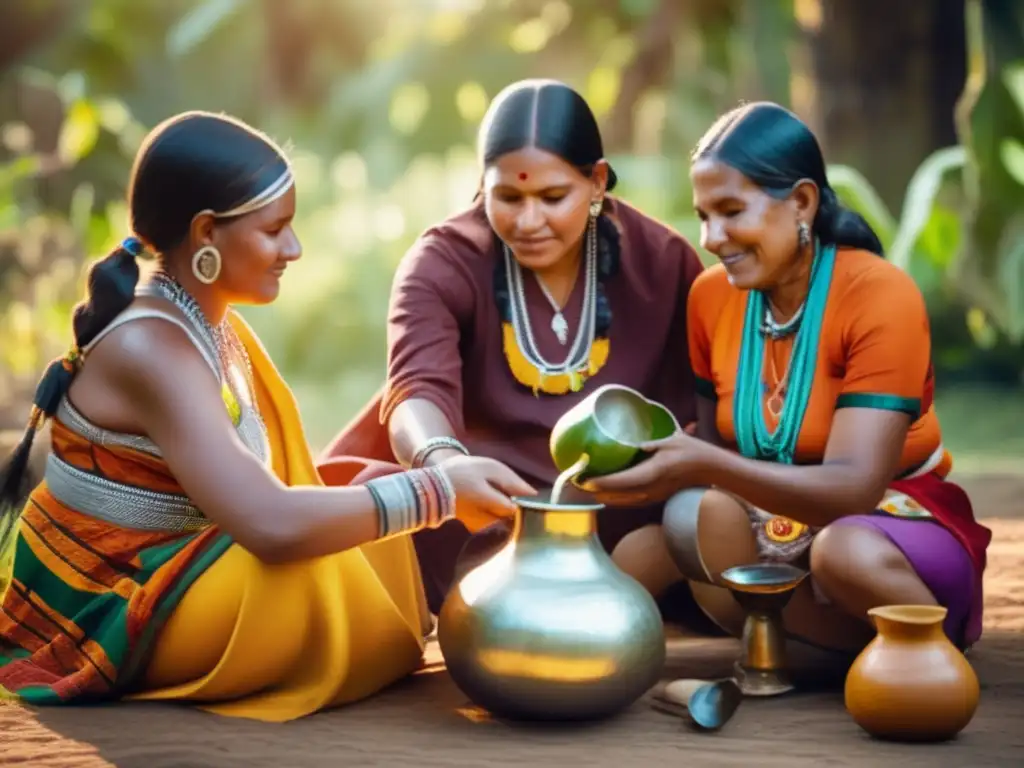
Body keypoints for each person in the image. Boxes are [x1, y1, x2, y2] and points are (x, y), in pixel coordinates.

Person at [0, 111, 532, 722]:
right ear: (206, 233)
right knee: (316, 578)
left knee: (366, 508)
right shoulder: (152, 347)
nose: (294, 249)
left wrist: (403, 495)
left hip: (195, 548)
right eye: (276, 230)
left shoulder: (207, 321)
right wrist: (437, 491)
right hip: (113, 598)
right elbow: (270, 524)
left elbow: (278, 495)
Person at [586, 101, 993, 672]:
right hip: (771, 522)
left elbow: (853, 489)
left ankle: (918, 656)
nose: (711, 236)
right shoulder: (710, 298)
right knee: (656, 542)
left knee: (841, 553)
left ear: (801, 201)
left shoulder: (879, 295)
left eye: (730, 211)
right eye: (702, 215)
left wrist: (700, 462)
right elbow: (720, 455)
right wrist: (648, 469)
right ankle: (807, 653)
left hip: (887, 525)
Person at [320, 79, 709, 621]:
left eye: (553, 198)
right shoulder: (443, 261)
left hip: (616, 508)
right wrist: (444, 463)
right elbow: (415, 391)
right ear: (483, 184)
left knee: (700, 515)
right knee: (377, 499)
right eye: (508, 197)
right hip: (482, 506)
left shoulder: (663, 261)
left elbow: (706, 413)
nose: (528, 222)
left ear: (596, 181)